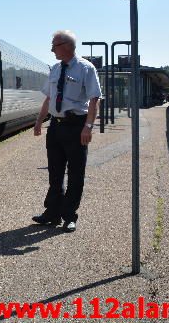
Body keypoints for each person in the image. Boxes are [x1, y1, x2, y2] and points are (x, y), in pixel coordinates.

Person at [32, 30, 102, 232]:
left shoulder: (86, 68)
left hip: (76, 126)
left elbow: (94, 100)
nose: (52, 49)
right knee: (55, 172)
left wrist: (88, 127)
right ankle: (52, 213)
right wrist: (39, 122)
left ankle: (69, 216)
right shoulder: (54, 69)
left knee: (75, 173)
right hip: (56, 126)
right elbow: (49, 98)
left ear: (66, 46)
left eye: (54, 45)